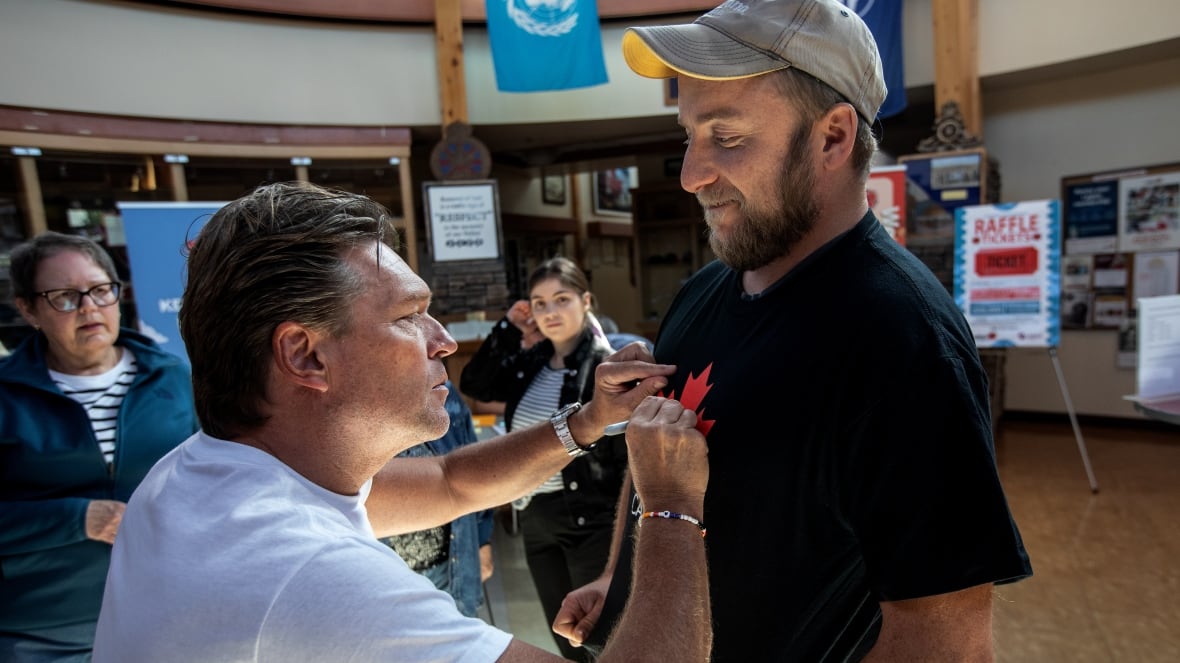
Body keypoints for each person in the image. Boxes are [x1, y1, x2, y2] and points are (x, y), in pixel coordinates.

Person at [555, 1, 1033, 661]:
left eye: (725, 136)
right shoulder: (702, 292)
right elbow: (653, 461)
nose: (692, 174)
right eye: (688, 134)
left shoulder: (902, 341)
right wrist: (621, 580)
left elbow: (943, 648)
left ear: (832, 137)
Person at [91, 182, 711, 662]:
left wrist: (589, 420)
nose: (442, 341)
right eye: (408, 316)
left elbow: (449, 484)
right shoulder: (310, 576)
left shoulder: (198, 475)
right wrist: (669, 504)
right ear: (306, 355)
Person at [0, 231, 198, 661]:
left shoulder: (172, 378)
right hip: (41, 633)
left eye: (100, 291)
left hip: (163, 618)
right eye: (64, 296)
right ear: (28, 310)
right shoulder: (6, 394)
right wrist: (77, 518)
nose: (89, 307)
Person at [459, 257, 623, 661]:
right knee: (565, 638)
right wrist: (508, 328)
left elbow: (622, 458)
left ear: (586, 301)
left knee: (600, 637)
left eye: (561, 299)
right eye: (539, 303)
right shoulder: (532, 362)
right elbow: (475, 383)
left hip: (591, 520)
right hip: (536, 515)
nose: (550, 312)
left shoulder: (604, 364)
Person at [380, 380, 495, 618]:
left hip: (452, 563)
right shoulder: (347, 397)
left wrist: (483, 541)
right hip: (384, 574)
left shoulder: (443, 391)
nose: (443, 345)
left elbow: (472, 471)